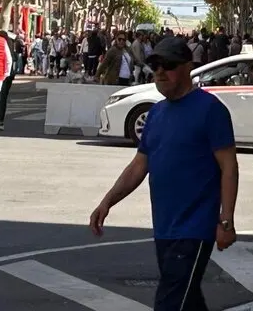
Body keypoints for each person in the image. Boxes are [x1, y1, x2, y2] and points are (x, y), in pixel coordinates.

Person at [90, 36, 238, 310]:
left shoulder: (211, 110)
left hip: (194, 229)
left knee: (171, 300)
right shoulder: (156, 113)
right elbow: (138, 166)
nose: (159, 71)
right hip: (165, 227)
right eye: (155, 64)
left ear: (187, 67)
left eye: (168, 65)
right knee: (187, 300)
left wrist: (225, 222)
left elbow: (229, 167)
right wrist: (107, 202)